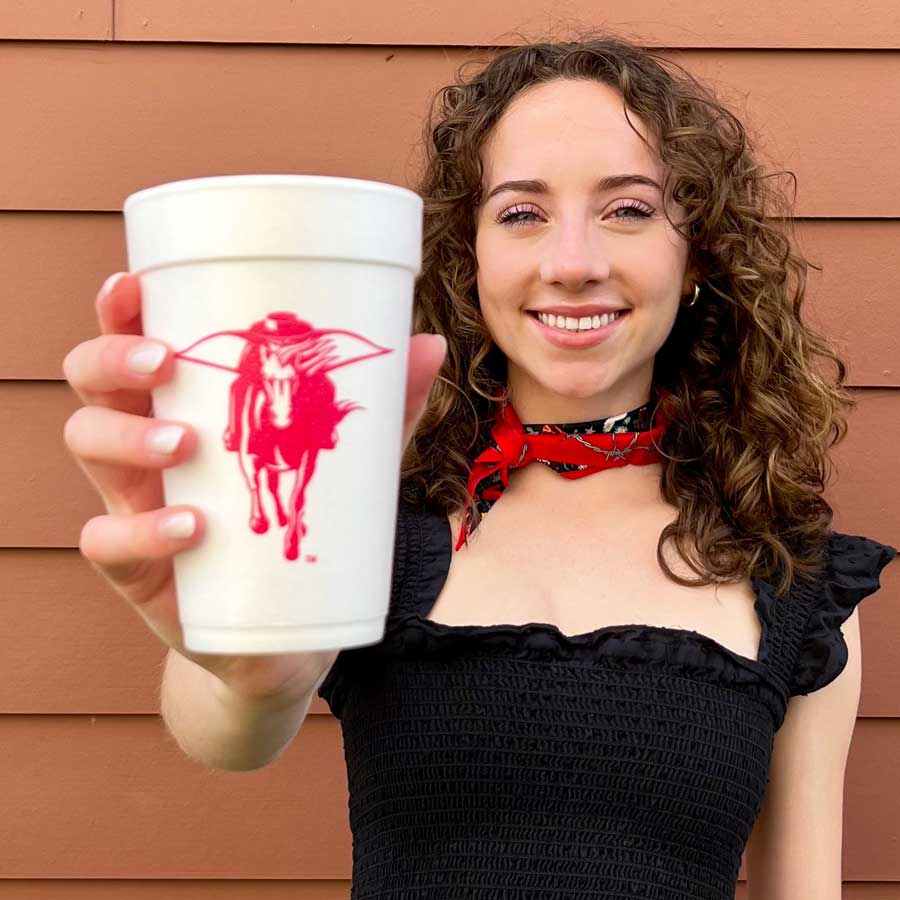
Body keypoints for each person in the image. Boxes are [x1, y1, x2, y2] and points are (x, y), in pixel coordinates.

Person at [62, 30, 896, 899]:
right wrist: (254, 681)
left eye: (628, 209)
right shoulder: (365, 519)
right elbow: (224, 723)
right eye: (522, 214)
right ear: (470, 260)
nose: (573, 264)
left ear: (697, 257)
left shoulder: (796, 578)